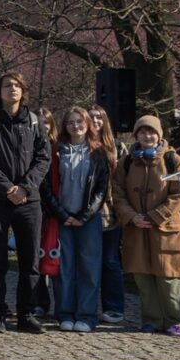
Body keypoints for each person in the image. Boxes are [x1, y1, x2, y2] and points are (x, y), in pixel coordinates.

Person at [0, 72, 50, 334]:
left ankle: (26, 314)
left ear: (23, 90)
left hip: (29, 201)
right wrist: (8, 189)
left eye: (16, 85)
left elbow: (43, 158)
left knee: (30, 262)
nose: (12, 89)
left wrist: (25, 187)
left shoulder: (35, 122)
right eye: (7, 85)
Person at [112, 115, 180, 336]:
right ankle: (152, 320)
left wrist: (155, 215)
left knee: (170, 276)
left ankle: (178, 321)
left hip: (168, 229)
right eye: (142, 132)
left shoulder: (173, 160)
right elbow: (117, 193)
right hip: (137, 229)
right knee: (143, 276)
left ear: (159, 135)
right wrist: (131, 216)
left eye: (152, 132)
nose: (147, 136)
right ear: (136, 135)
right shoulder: (126, 162)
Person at [40, 107, 110, 332]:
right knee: (65, 269)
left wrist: (84, 216)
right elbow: (47, 187)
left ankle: (87, 315)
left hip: (88, 220)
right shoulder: (56, 151)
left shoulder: (98, 152)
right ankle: (65, 313)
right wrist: (63, 215)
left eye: (79, 121)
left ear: (87, 123)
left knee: (89, 269)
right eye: (70, 122)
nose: (75, 126)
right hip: (63, 219)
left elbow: (101, 189)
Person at [88, 105, 126, 324]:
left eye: (99, 117)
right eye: (91, 117)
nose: (95, 121)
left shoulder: (118, 147)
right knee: (88, 261)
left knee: (110, 261)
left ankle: (113, 307)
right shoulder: (81, 145)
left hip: (110, 212)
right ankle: (87, 306)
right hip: (85, 211)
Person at [30, 107, 61, 317]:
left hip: (57, 210)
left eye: (46, 122)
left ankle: (62, 304)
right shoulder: (28, 147)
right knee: (36, 258)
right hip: (35, 207)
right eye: (39, 122)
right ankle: (40, 302)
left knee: (56, 257)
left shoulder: (59, 149)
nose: (43, 126)